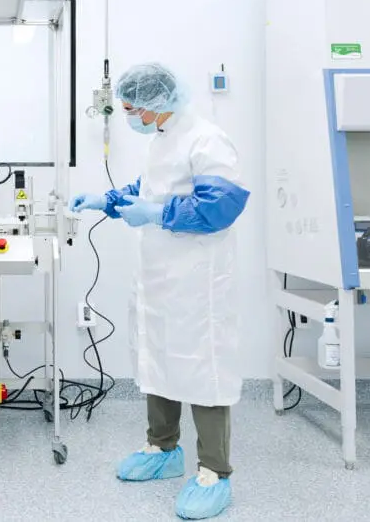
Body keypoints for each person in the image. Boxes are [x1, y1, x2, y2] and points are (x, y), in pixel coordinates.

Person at [71, 62, 249, 520]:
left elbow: (220, 207)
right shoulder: (163, 140)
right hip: (161, 277)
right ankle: (163, 449)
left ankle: (214, 471)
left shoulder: (206, 139)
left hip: (198, 281)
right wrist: (106, 201)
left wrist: (154, 213)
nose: (129, 116)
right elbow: (147, 190)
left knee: (202, 368)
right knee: (158, 358)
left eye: (131, 108)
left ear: (155, 104)